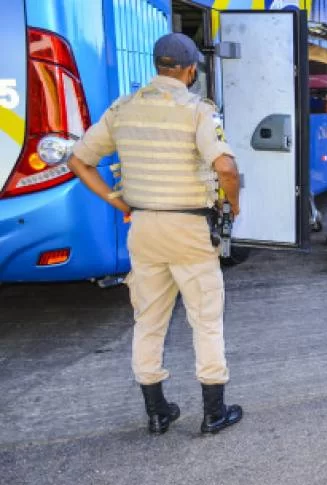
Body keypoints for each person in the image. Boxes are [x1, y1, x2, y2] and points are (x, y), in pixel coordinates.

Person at [67, 33, 243, 435]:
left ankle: (157, 411)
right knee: (206, 321)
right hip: (189, 228)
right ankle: (214, 412)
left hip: (143, 227)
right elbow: (227, 169)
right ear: (189, 69)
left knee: (148, 320)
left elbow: (79, 161)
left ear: (157, 65)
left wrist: (120, 203)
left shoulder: (123, 108)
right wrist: (233, 207)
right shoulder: (197, 110)